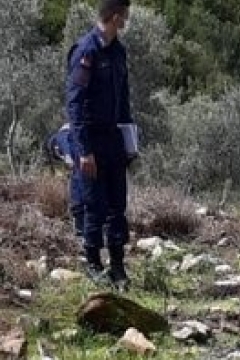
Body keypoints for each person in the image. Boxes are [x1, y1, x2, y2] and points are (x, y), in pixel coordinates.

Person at [66, 0, 135, 292]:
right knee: (93, 204)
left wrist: (130, 141)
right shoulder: (87, 51)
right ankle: (93, 264)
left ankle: (117, 265)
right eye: (126, 15)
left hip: (113, 139)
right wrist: (83, 150)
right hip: (91, 139)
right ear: (115, 16)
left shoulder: (118, 52)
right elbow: (75, 103)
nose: (127, 20)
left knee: (117, 204)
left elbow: (125, 102)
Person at [45, 123, 84, 239]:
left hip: (81, 170)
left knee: (78, 198)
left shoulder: (61, 138)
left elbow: (69, 157)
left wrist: (69, 162)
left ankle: (81, 233)